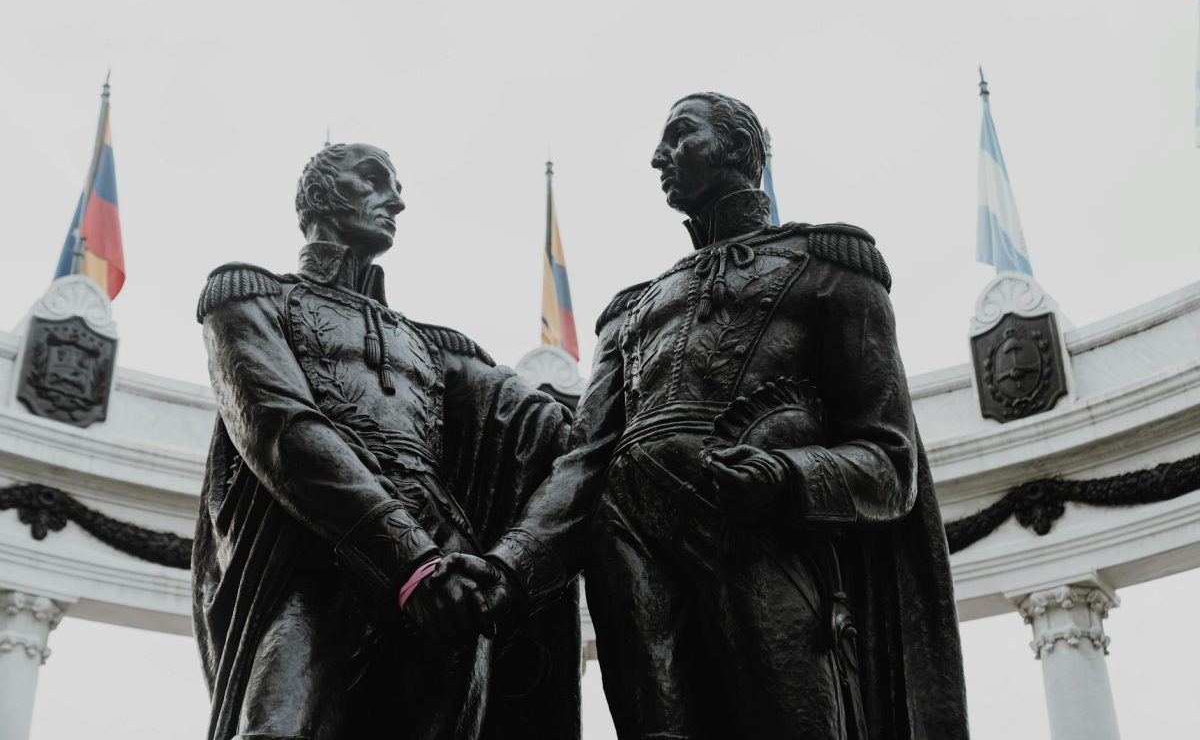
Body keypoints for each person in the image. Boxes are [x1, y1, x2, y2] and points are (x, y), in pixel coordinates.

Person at [446, 94, 969, 738]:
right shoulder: (631, 311)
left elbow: (890, 463)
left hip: (758, 533)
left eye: (679, 136)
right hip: (629, 542)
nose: (658, 156)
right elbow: (582, 461)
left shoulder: (831, 266)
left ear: (738, 146)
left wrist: (786, 476)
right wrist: (509, 567)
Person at [192, 143, 579, 740]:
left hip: (442, 555)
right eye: (371, 180)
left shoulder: (438, 346)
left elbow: (549, 433)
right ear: (317, 195)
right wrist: (410, 559)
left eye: (394, 186)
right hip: (310, 550)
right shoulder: (248, 294)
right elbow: (280, 427)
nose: (394, 200)